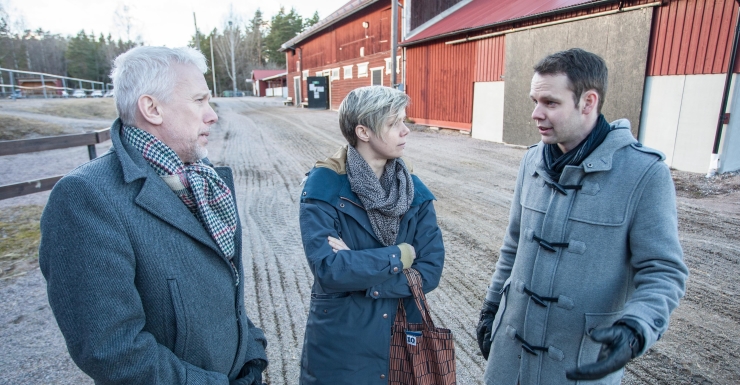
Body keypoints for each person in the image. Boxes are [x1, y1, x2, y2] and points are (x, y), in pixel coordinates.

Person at [39, 46, 268, 385]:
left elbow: (223, 287)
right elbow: (112, 351)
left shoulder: (201, 182)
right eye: (199, 100)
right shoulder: (86, 197)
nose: (212, 115)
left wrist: (252, 353)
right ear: (152, 108)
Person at [475, 48, 688, 384]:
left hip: (578, 365)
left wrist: (635, 328)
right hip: (509, 358)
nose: (535, 113)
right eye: (535, 100)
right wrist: (490, 308)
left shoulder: (645, 173)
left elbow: (664, 270)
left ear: (588, 102)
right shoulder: (531, 163)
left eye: (550, 103)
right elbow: (513, 246)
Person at [298, 86, 445, 384]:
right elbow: (329, 270)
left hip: (404, 339)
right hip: (342, 347)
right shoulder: (324, 187)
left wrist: (361, 272)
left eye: (404, 121)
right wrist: (400, 256)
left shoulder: (414, 191)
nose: (405, 131)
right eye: (393, 124)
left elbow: (430, 270)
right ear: (363, 131)